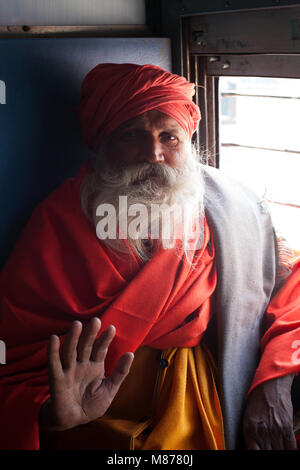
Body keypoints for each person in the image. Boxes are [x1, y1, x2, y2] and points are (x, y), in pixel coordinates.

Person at [0, 63, 299, 451]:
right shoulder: (55, 226)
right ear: (103, 141)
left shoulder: (229, 208)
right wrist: (52, 416)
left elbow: (290, 289)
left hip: (208, 409)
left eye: (169, 137)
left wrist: (273, 379)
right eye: (132, 135)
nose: (154, 153)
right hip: (95, 429)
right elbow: (12, 367)